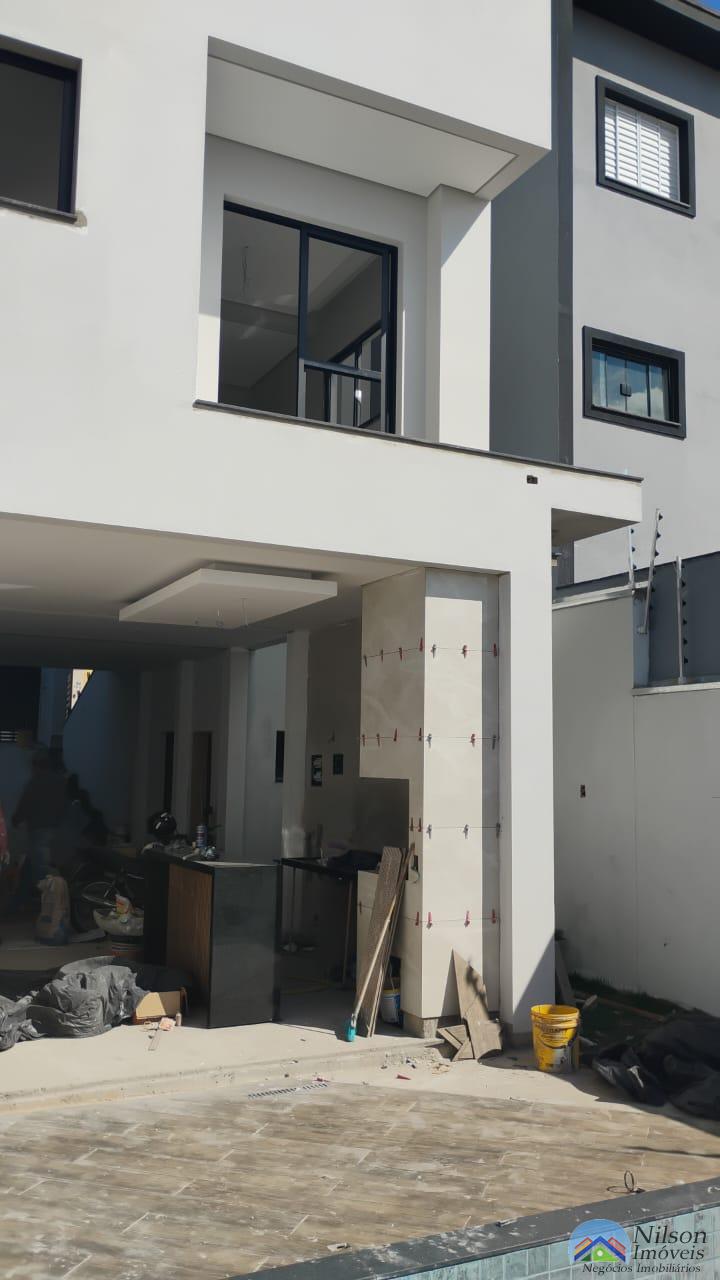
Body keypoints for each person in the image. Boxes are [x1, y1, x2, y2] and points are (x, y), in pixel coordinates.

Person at [10, 751, 68, 909]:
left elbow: (25, 804)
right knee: (30, 867)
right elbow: (65, 807)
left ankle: (53, 905)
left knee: (41, 871)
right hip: (57, 831)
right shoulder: (60, 782)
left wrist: (16, 819)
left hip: (40, 831)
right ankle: (18, 901)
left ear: (36, 766)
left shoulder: (36, 782)